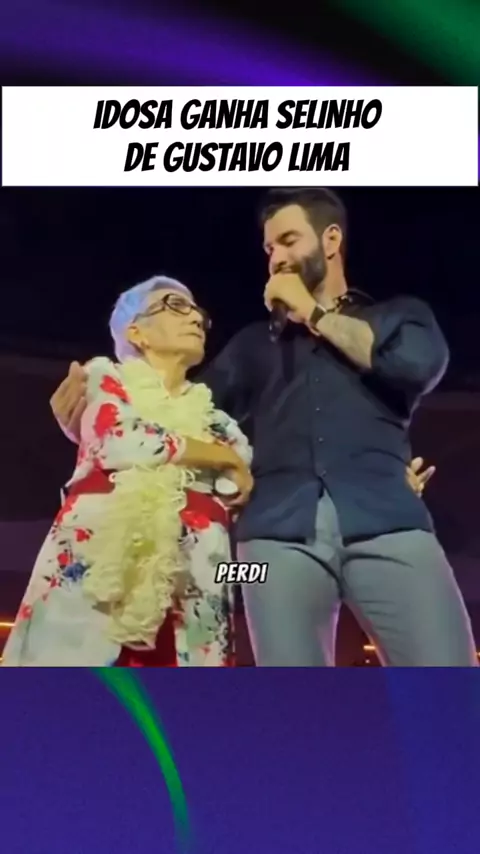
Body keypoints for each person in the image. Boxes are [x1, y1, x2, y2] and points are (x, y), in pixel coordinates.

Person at [49, 188, 477, 667]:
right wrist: (91, 428)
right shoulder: (254, 345)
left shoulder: (398, 317)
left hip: (390, 519)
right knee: (291, 697)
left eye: (289, 241)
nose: (277, 258)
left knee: (450, 679)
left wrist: (312, 312)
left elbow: (416, 366)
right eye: (270, 248)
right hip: (269, 541)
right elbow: (182, 415)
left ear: (331, 240)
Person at [3, 276, 253, 667]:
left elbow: (234, 480)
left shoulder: (217, 420)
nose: (195, 318)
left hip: (195, 584)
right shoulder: (104, 376)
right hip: (98, 575)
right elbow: (121, 439)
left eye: (198, 313)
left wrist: (226, 462)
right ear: (137, 332)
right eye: (176, 306)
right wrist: (219, 458)